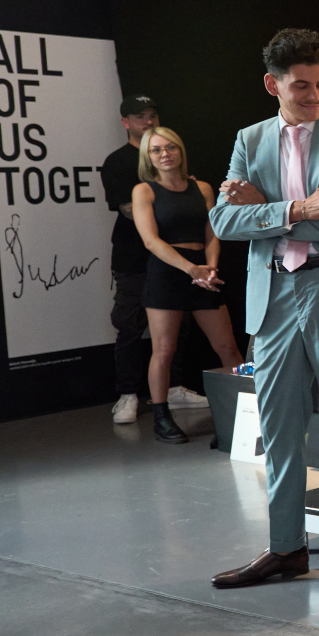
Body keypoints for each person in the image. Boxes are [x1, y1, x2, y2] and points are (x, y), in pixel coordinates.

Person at [209, 29, 319, 604]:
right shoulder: (250, 138)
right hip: (274, 295)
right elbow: (222, 222)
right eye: (301, 86)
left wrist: (265, 208)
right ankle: (285, 547)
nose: (314, 95)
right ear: (272, 85)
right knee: (280, 431)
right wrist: (299, 208)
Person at [128, 126, 246, 444]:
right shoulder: (144, 191)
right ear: (148, 157)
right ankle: (162, 418)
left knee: (228, 348)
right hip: (167, 273)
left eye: (170, 147)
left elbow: (212, 231)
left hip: (203, 273)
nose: (165, 154)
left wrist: (210, 267)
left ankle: (248, 414)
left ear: (180, 150)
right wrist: (191, 268)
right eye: (156, 150)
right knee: (164, 350)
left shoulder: (202, 188)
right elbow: (150, 241)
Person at [104, 95, 201, 423]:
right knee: (130, 325)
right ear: (125, 122)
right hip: (134, 258)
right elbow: (131, 211)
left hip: (174, 259)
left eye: (152, 115)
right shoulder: (118, 162)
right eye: (139, 116)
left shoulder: (174, 162)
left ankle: (174, 388)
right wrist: (170, 212)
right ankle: (128, 394)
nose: (148, 122)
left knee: (179, 325)